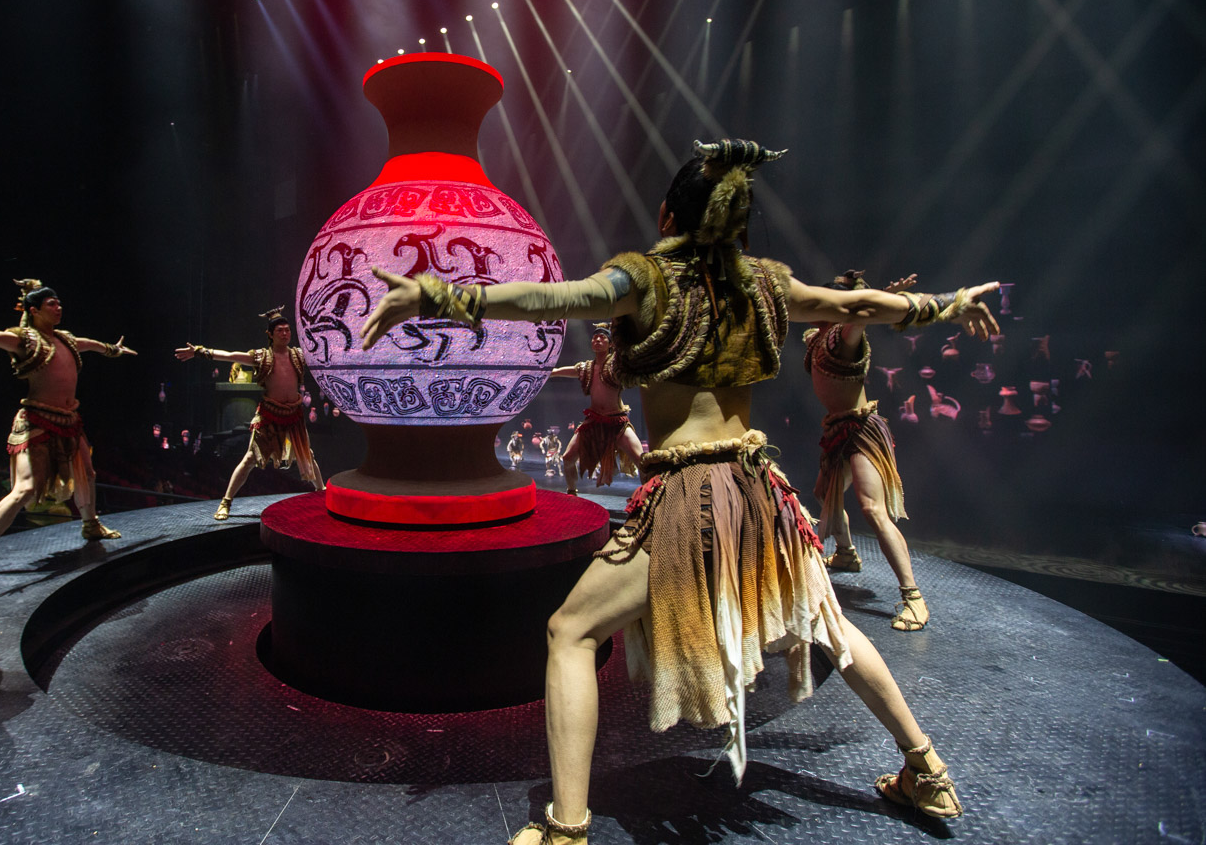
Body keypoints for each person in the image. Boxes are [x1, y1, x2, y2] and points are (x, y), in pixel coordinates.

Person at [361, 139, 997, 842]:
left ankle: (567, 829)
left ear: (668, 214)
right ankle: (925, 768)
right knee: (828, 625)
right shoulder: (765, 285)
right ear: (739, 223)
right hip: (757, 491)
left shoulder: (645, 281)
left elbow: (552, 298)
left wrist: (439, 293)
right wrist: (946, 304)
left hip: (689, 497)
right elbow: (857, 304)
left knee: (570, 632)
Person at [0, 280, 134, 582]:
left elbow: (92, 344)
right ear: (34, 310)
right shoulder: (24, 339)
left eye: (59, 303)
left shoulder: (66, 339)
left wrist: (113, 350)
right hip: (36, 421)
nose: (58, 308)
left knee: (87, 473)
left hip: (69, 420)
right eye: (51, 304)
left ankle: (91, 524)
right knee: (24, 489)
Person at [806, 270, 930, 630]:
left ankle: (913, 597)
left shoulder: (845, 334)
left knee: (873, 509)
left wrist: (877, 299)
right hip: (839, 431)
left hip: (862, 430)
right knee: (824, 493)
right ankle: (846, 554)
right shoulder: (820, 338)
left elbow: (860, 317)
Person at [174, 306, 324, 520]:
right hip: (270, 415)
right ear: (270, 334)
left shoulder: (298, 355)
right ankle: (226, 501)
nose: (285, 333)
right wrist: (200, 351)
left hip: (294, 415)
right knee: (249, 459)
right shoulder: (262, 357)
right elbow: (230, 356)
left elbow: (323, 355)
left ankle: (321, 492)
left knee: (307, 455)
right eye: (280, 330)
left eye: (287, 330)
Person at [549, 324, 642, 494]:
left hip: (617, 422)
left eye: (602, 337)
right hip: (594, 420)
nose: (597, 340)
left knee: (641, 460)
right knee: (568, 458)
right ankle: (571, 491)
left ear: (610, 344)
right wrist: (546, 372)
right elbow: (558, 371)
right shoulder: (586, 368)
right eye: (594, 338)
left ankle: (650, 496)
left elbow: (631, 361)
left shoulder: (617, 365)